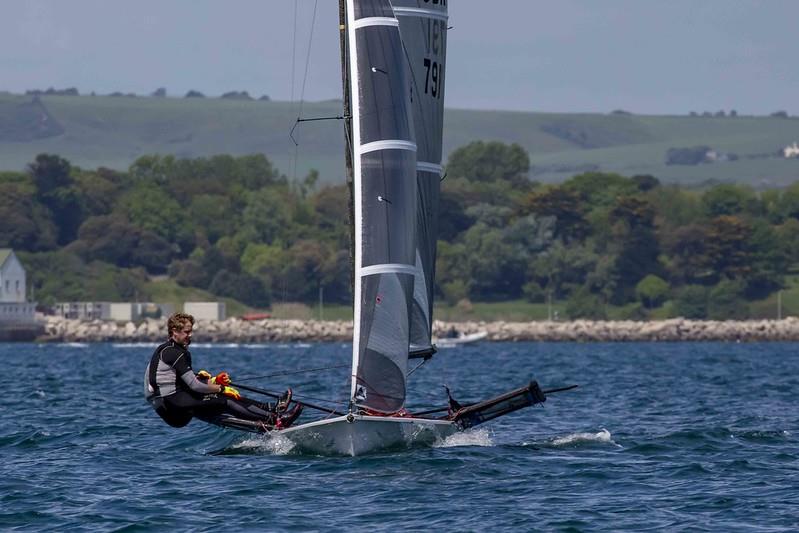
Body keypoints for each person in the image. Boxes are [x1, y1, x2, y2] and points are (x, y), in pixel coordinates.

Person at [144, 312, 302, 430]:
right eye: (186, 332)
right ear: (174, 331)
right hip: (172, 405)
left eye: (191, 331)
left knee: (220, 397)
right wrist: (221, 388)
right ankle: (275, 419)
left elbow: (180, 379)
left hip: (170, 402)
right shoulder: (173, 352)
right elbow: (194, 386)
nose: (190, 335)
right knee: (223, 399)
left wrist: (213, 381)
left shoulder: (170, 349)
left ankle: (272, 411)